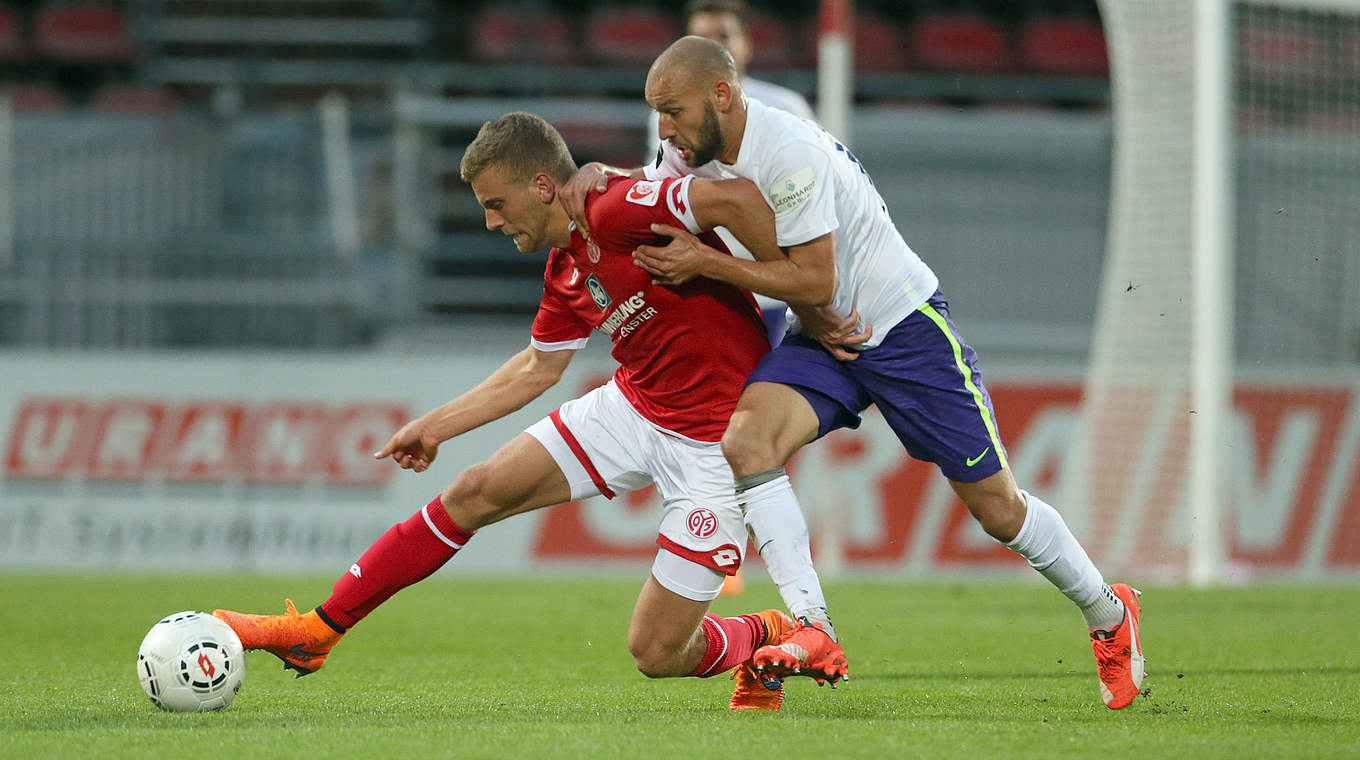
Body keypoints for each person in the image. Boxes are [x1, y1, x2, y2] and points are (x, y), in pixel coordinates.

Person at [563, 36, 1146, 710]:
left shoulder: (789, 157)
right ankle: (814, 628)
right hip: (822, 335)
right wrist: (599, 172)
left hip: (902, 328)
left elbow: (815, 277)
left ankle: (1108, 612)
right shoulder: (686, 150)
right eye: (656, 113)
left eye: (674, 110)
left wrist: (709, 264)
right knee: (746, 442)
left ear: (721, 95)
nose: (665, 128)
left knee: (998, 510)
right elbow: (656, 192)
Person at [211, 112, 832, 711]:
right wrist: (435, 427)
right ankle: (319, 631)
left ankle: (761, 632)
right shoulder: (566, 270)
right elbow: (538, 367)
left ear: (542, 187)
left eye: (496, 203)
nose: (488, 222)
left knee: (655, 652)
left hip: (715, 446)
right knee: (475, 490)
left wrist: (796, 284)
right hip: (636, 408)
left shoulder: (618, 208)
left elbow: (734, 197)